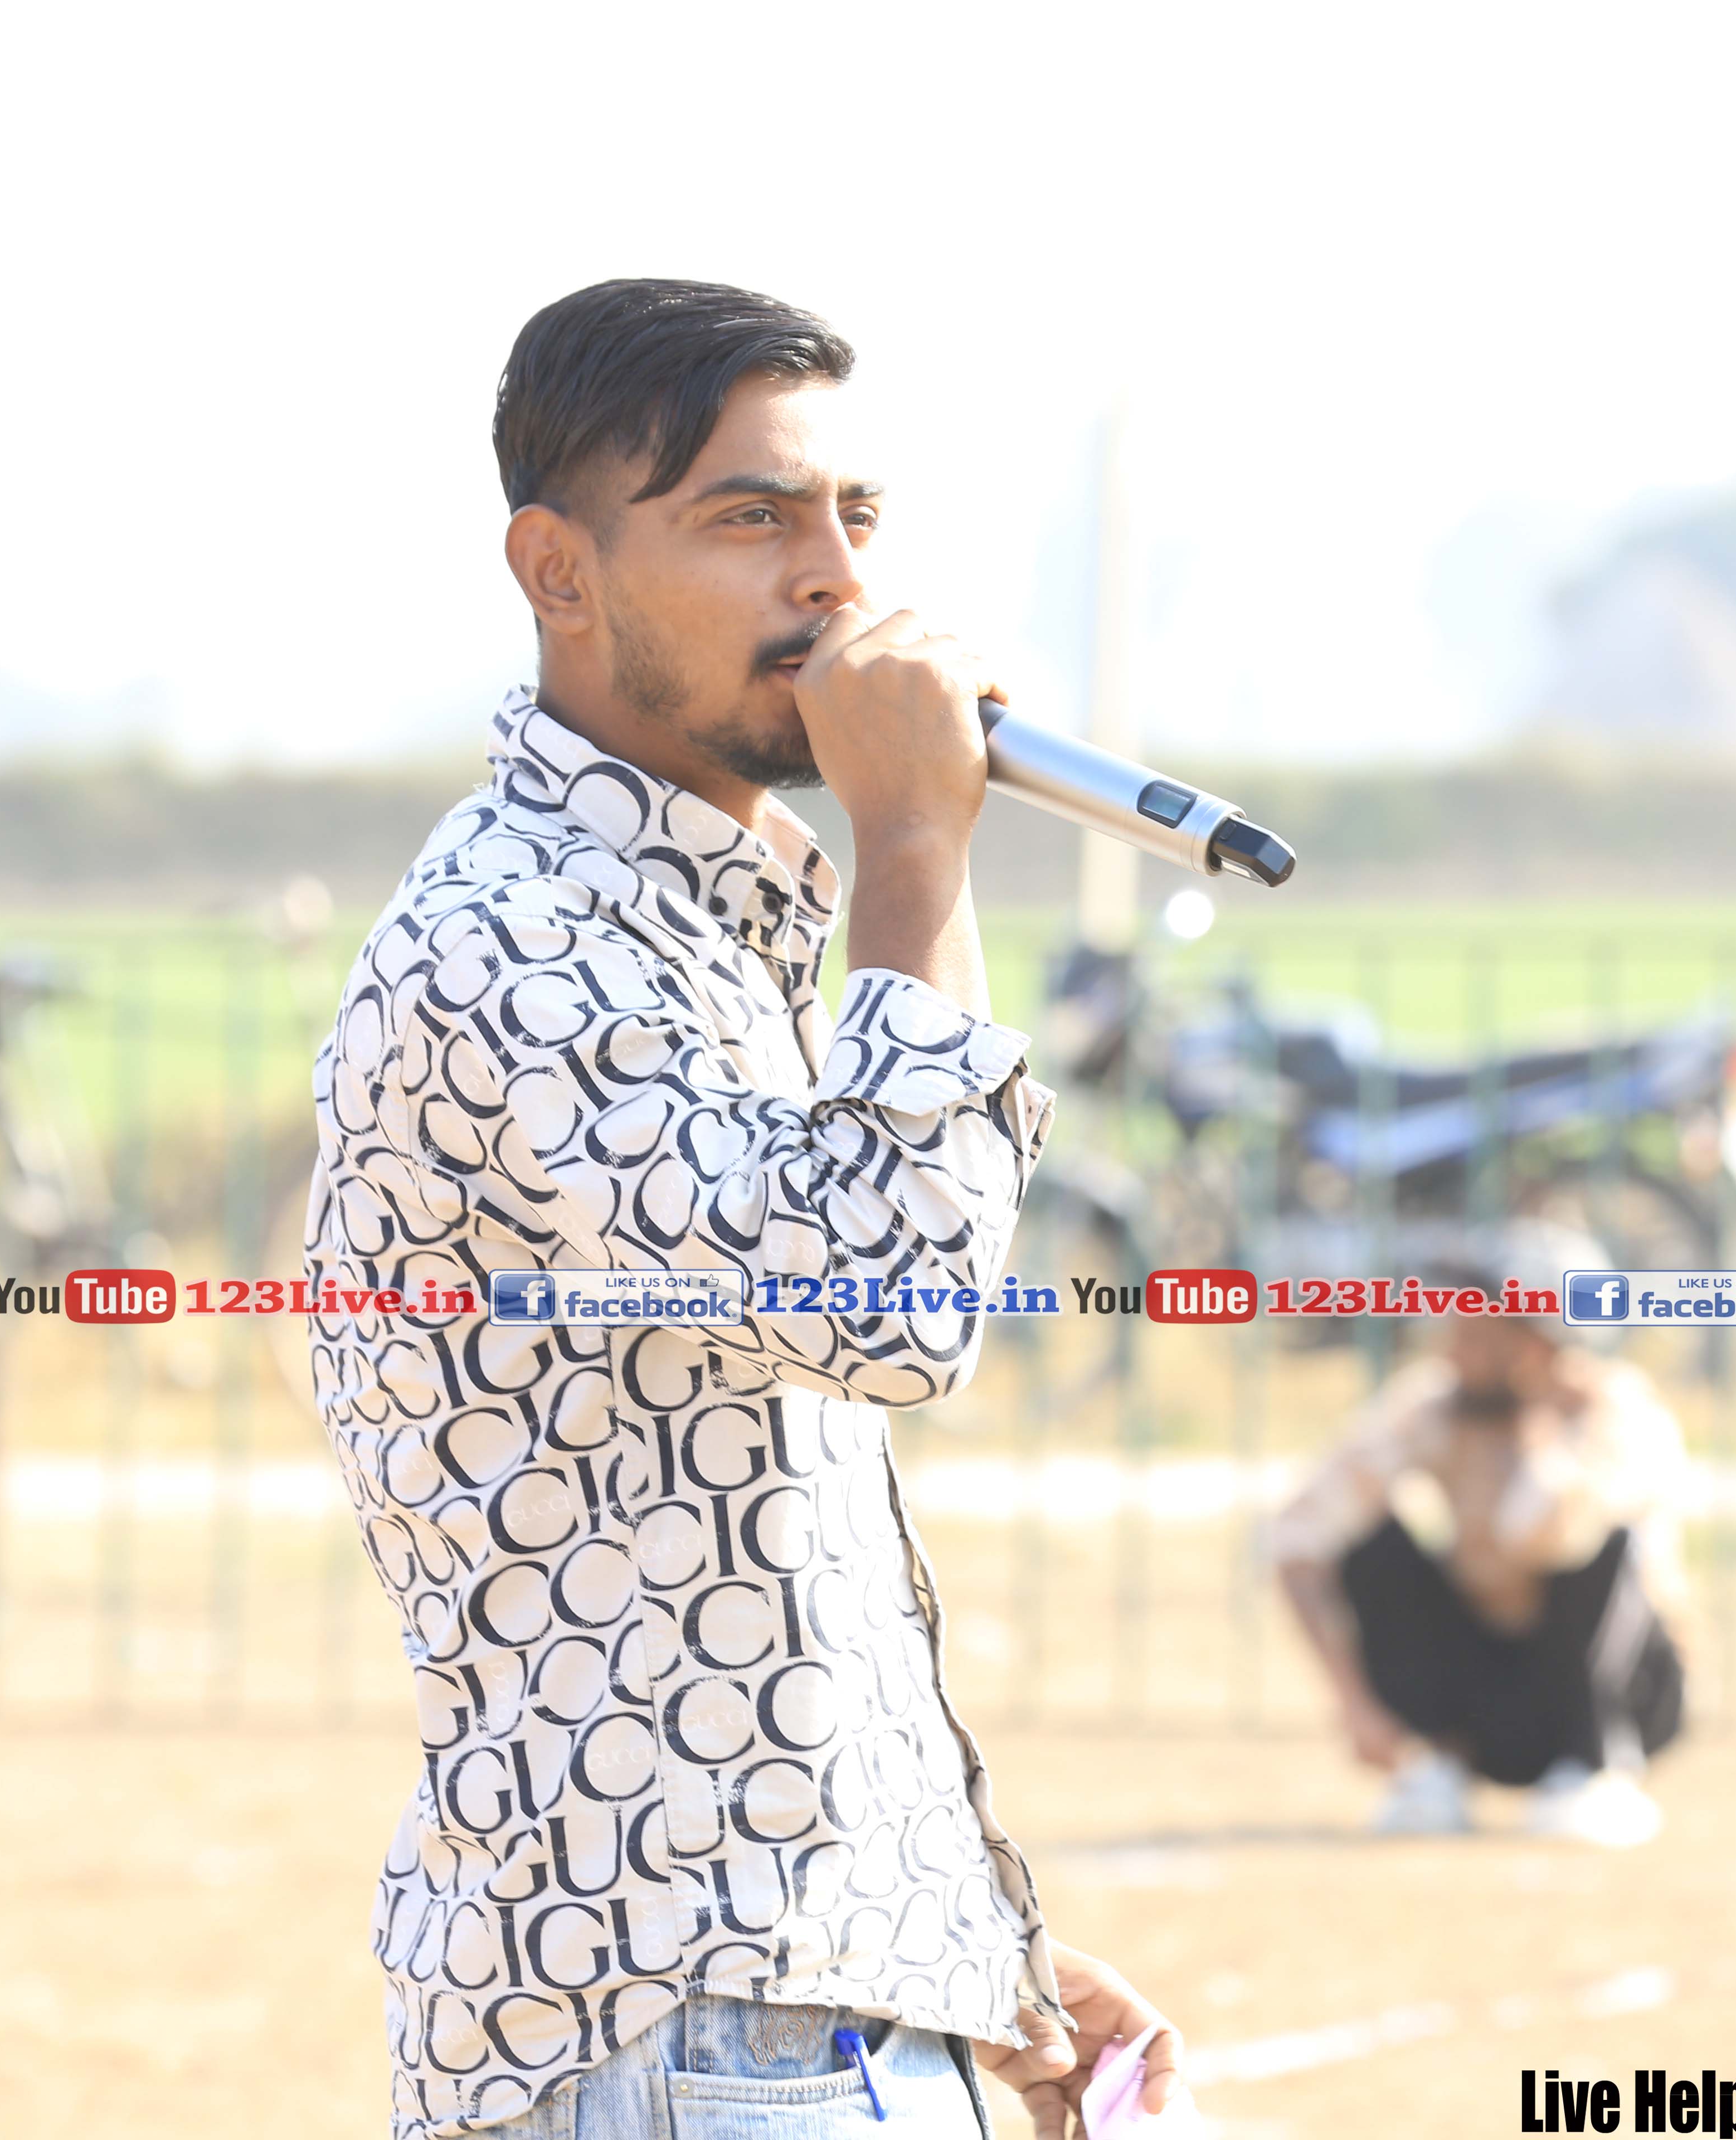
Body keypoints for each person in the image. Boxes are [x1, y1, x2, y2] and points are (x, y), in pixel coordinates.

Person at [303, 281, 1184, 2140]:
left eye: (857, 517)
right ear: (558, 571)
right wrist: (918, 849)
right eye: (750, 517)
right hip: (681, 2030)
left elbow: (734, 1561)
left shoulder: (695, 926)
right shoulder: (517, 944)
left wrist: (954, 1943)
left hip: (778, 2007)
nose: (835, 581)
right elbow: (892, 1304)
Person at [1269, 1248, 1690, 1845]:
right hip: (1487, 1702)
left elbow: (1546, 1537)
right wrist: (1354, 1704)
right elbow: (1296, 1536)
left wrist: (1538, 1434)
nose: (1451, 1353)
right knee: (1370, 1541)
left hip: (1615, 1691)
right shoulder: (1436, 1404)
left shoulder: (1617, 1415)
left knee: (1607, 1543)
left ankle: (1595, 1768)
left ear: (1535, 1346)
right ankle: (1433, 1768)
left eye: (1473, 1335)